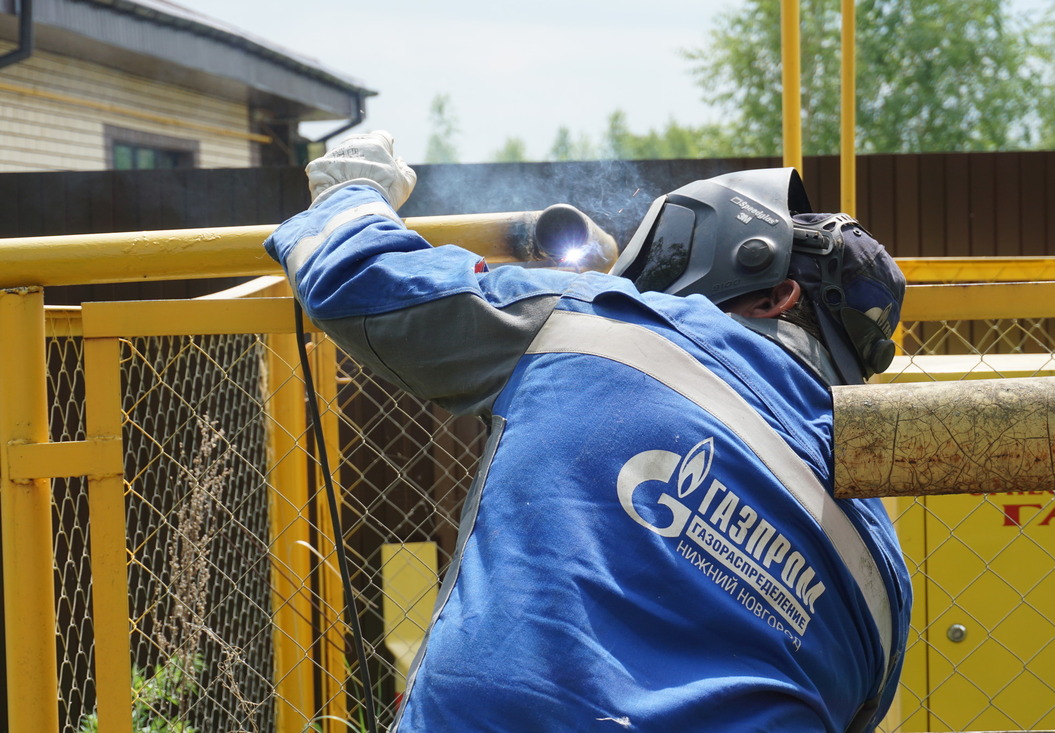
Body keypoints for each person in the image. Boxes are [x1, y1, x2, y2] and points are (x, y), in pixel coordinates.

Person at [264, 131, 912, 733]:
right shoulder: (885, 583)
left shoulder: (598, 321)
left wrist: (350, 192)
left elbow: (362, 279)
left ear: (773, 294)